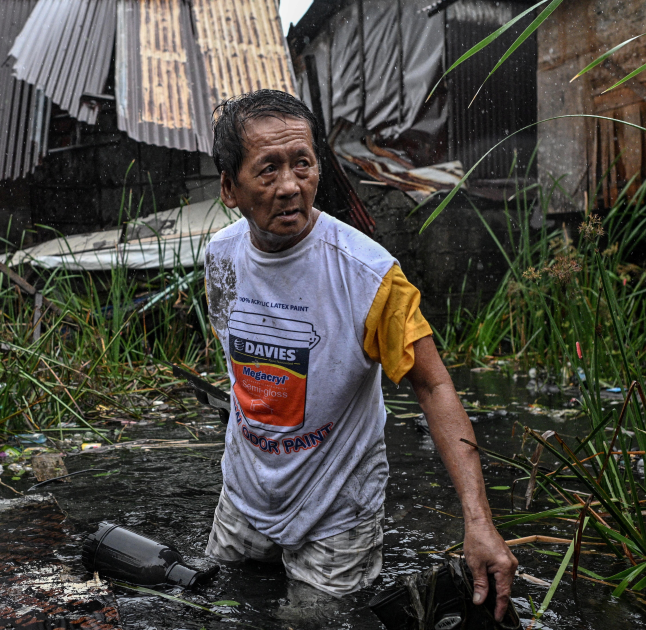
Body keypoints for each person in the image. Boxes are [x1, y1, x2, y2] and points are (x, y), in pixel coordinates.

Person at [203, 89, 517, 620]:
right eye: (268, 170)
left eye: (302, 164)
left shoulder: (368, 275)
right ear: (230, 188)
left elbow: (434, 385)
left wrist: (478, 521)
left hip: (336, 515)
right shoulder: (221, 257)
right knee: (221, 608)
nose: (289, 187)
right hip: (242, 499)